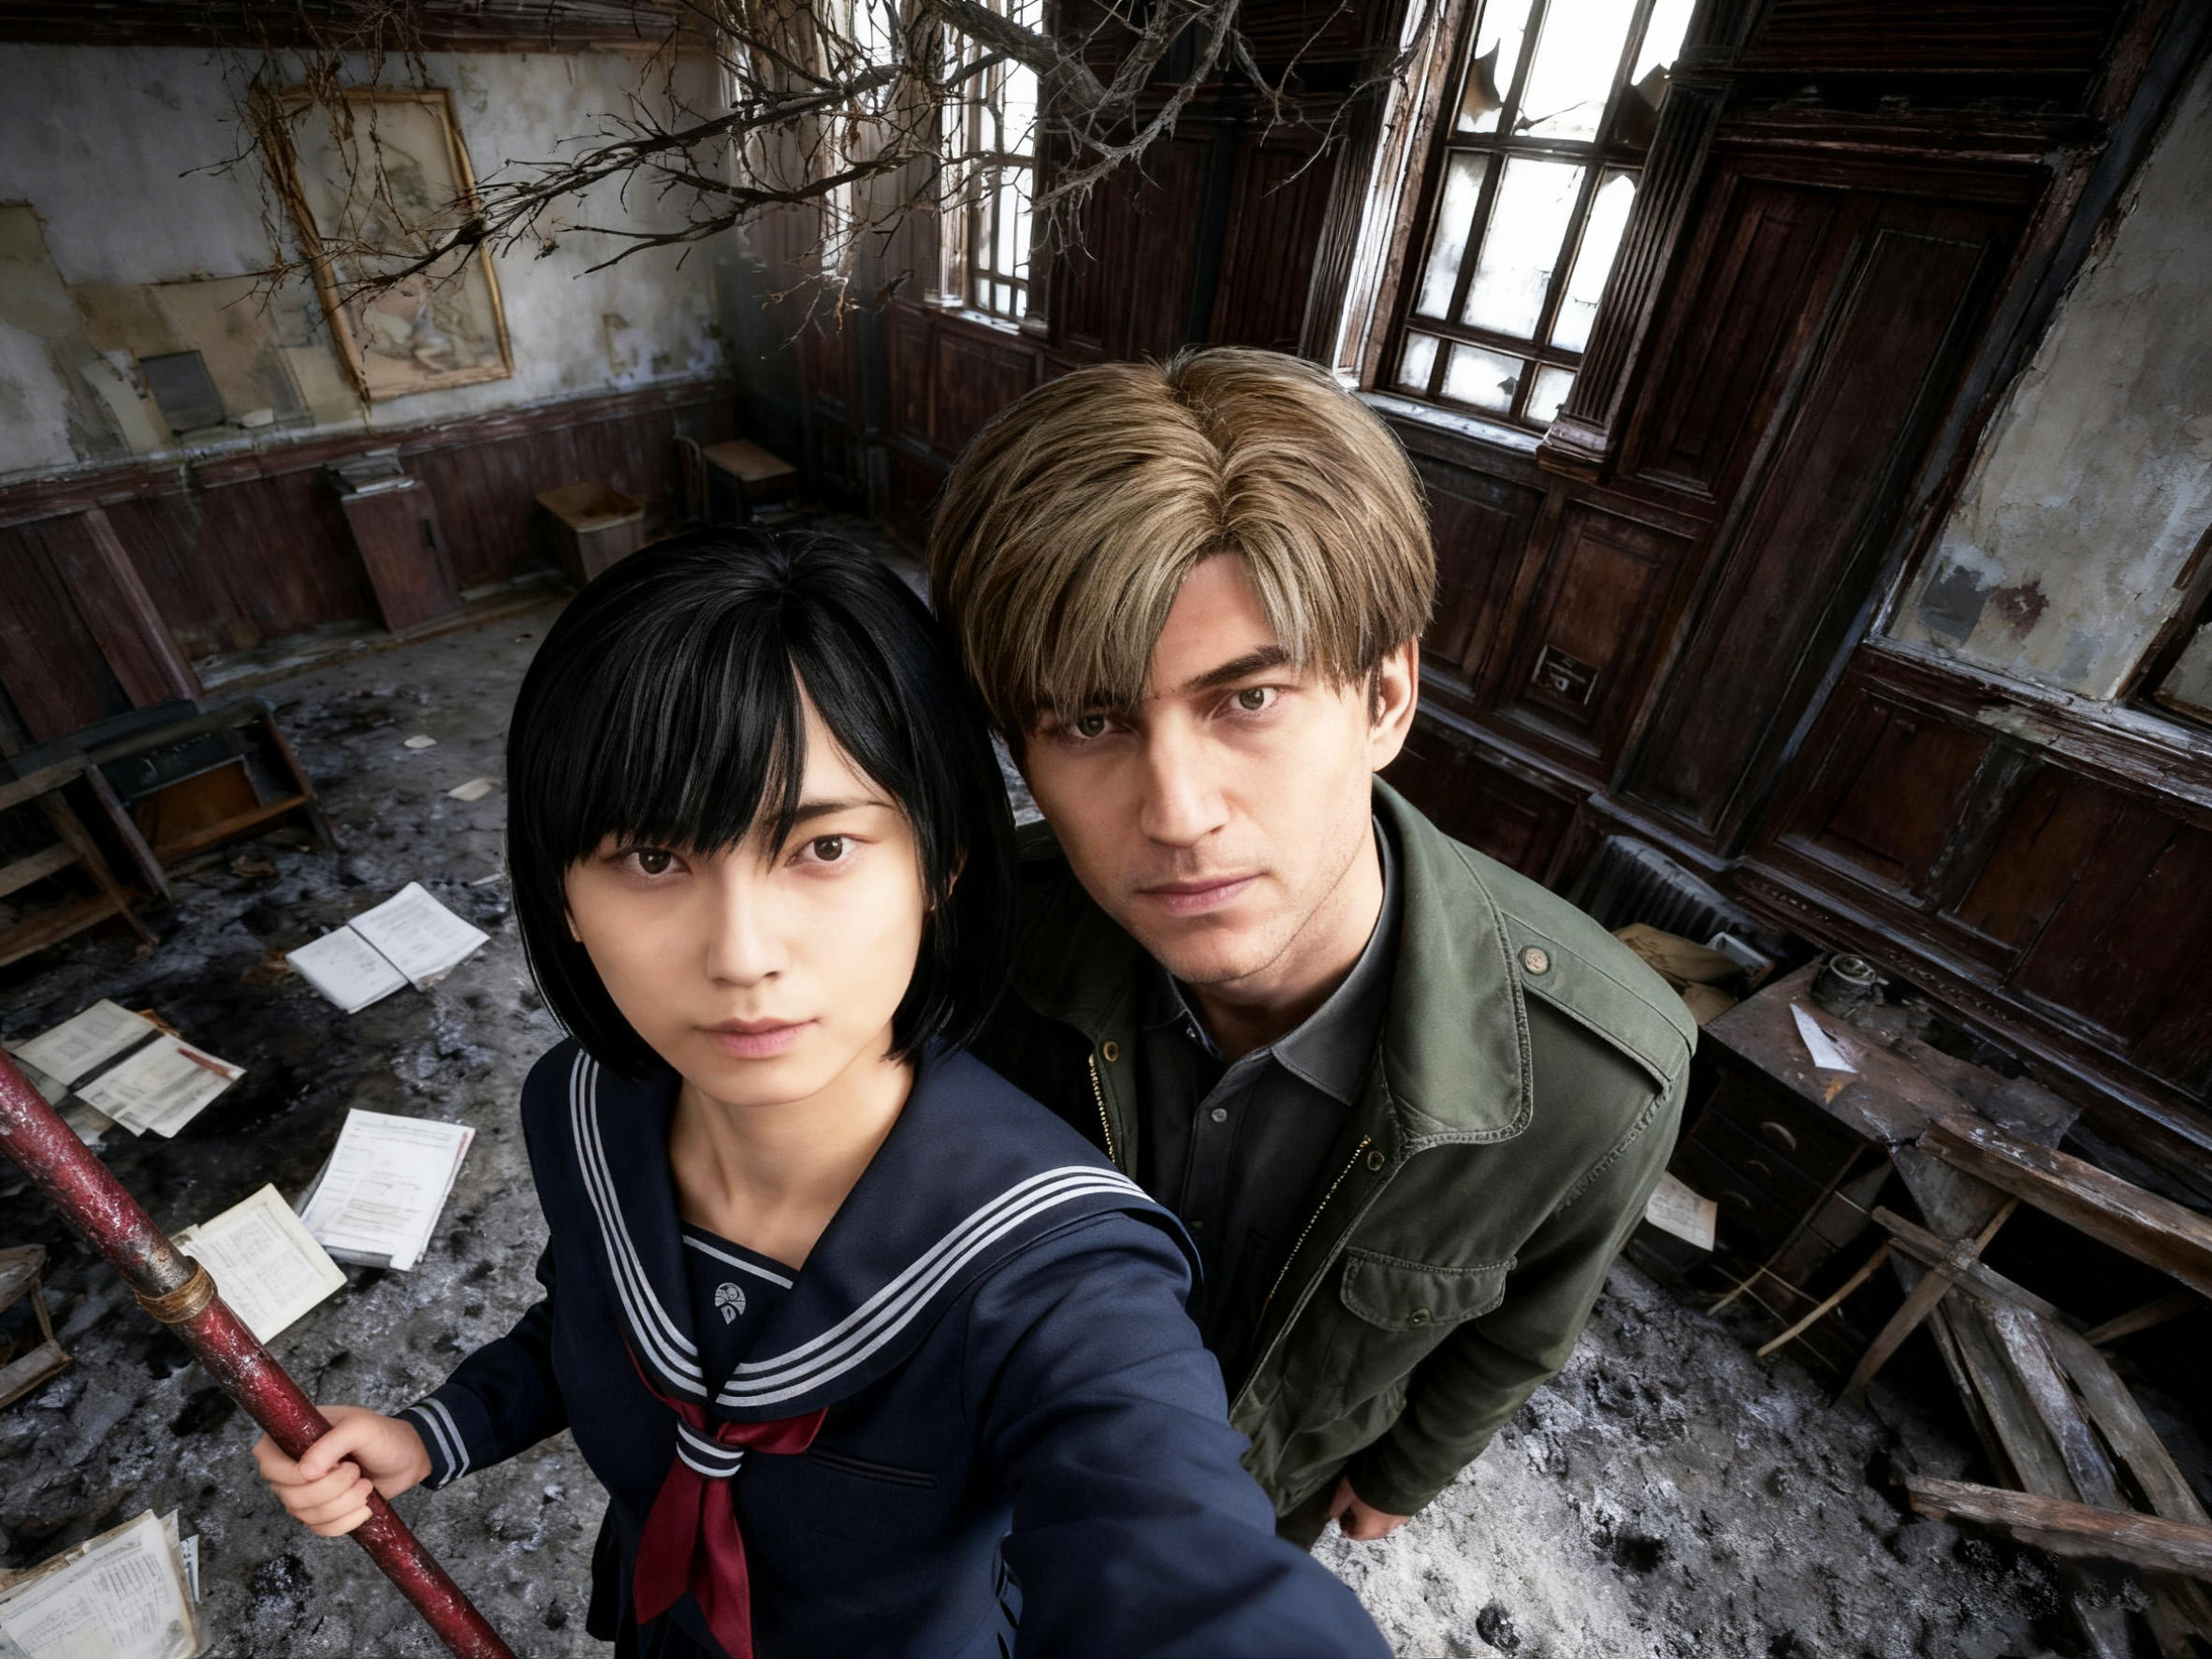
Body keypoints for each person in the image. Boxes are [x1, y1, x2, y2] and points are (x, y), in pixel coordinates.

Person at [249, 531, 1390, 1659]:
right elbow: (588, 1323)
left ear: (941, 862)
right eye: (654, 860)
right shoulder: (582, 1110)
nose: (742, 954)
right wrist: (435, 1432)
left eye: (824, 847)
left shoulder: (1053, 1275)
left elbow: (1169, 1538)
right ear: (564, 899)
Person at [929, 347, 1696, 1550]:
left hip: (1257, 1522)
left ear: (1386, 698)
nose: (1177, 813)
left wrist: (1405, 1477)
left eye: (1248, 699)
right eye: (1091, 721)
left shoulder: (1598, 1080)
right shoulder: (966, 944)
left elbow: (1523, 1326)